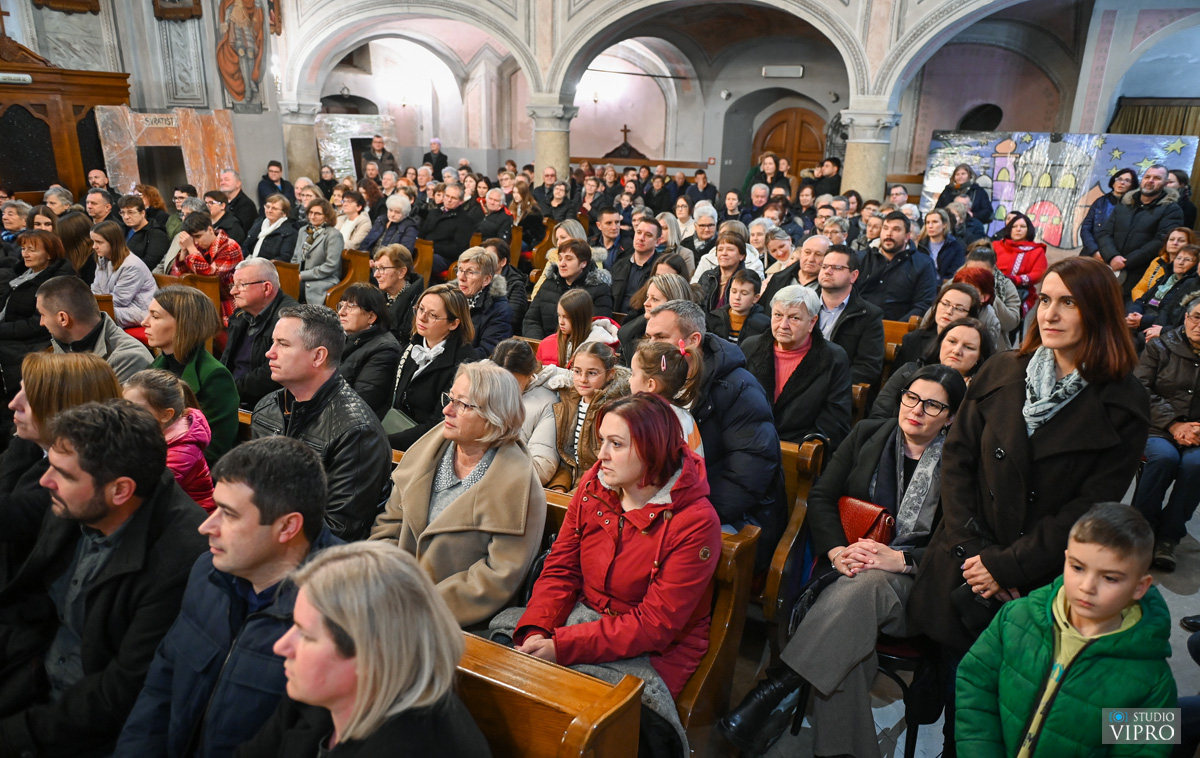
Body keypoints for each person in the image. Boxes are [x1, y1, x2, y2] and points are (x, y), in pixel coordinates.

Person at [906, 257, 1150, 752]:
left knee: (1017, 716)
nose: (1049, 314)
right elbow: (956, 464)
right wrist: (976, 556)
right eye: (1045, 300)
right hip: (964, 564)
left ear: (1100, 312)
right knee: (965, 713)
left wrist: (1007, 566)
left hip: (1039, 577)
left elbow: (1089, 508)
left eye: (1068, 303)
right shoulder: (1003, 370)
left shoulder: (1123, 403)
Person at [721, 365, 967, 757]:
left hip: (916, 583)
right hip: (846, 567)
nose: (917, 410)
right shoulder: (870, 433)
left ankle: (780, 684)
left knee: (867, 587)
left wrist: (901, 558)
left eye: (933, 405)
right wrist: (837, 551)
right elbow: (821, 497)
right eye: (911, 397)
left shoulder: (961, 463)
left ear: (952, 416)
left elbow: (959, 541)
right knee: (847, 656)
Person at [0, 400, 206, 756]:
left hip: (90, 730)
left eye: (63, 474)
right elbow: (30, 609)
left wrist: (14, 734)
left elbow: (120, 693)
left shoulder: (180, 560)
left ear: (120, 490)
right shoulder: (80, 498)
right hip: (32, 680)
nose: (46, 481)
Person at [117, 435, 339, 757]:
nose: (207, 526)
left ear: (287, 527)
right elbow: (161, 685)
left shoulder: (337, 613)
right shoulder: (208, 571)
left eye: (229, 514)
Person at [510, 393, 721, 706]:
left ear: (652, 449)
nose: (601, 455)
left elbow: (654, 626)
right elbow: (561, 568)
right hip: (582, 620)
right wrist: (538, 631)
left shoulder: (696, 523)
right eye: (601, 440)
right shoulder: (594, 485)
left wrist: (562, 646)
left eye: (616, 444)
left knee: (581, 715)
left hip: (655, 653)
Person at [956, 504, 1174, 757]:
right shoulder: (1015, 617)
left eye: (1110, 578)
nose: (1087, 587)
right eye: (1078, 567)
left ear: (1140, 587)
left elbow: (1145, 753)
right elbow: (974, 683)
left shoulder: (1154, 682)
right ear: (1066, 558)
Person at [235, 542, 491, 757]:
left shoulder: (416, 747)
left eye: (306, 636)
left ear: (372, 655)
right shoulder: (318, 691)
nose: (281, 647)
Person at [372, 360, 546, 628]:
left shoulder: (519, 485)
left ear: (494, 415)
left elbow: (496, 577)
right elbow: (390, 525)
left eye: (462, 404)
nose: (446, 410)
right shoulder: (428, 452)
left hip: (454, 622)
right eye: (450, 398)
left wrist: (418, 606)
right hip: (391, 595)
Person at [644, 299, 784, 570]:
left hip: (735, 514)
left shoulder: (739, 388)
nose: (651, 346)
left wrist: (688, 515)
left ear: (693, 340)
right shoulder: (658, 381)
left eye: (661, 337)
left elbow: (749, 473)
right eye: (648, 337)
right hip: (675, 503)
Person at [251, 305, 391, 540]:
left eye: (283, 344)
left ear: (318, 356)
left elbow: (339, 531)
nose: (270, 353)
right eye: (273, 342)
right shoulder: (267, 408)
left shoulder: (357, 432)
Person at [0, 352, 122, 582]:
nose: (14, 403)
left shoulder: (82, 477)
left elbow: (9, 515)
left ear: (64, 408)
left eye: (30, 397)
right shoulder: (29, 445)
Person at [1132, 293, 1200, 571]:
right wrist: (1174, 423)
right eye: (1197, 317)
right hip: (1157, 427)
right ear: (1186, 318)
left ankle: (1168, 538)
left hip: (1197, 434)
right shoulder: (1160, 346)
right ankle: (1139, 532)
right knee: (1164, 459)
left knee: (1196, 464)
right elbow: (1139, 389)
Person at [741, 284, 852, 449]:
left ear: (812, 322)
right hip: (748, 442)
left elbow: (835, 421)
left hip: (799, 450)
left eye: (794, 318)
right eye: (778, 315)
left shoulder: (833, 358)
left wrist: (807, 449)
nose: (783, 325)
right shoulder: (750, 347)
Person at [145, 286, 239, 462]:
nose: (144, 322)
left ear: (184, 324)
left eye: (155, 316)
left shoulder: (214, 376)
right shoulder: (156, 365)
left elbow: (212, 452)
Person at [387, 283, 479, 451]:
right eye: (420, 309)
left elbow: (439, 424)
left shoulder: (465, 363)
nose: (421, 318)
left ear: (453, 324)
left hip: (429, 447)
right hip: (394, 434)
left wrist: (385, 441)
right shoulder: (411, 347)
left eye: (433, 315)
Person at [123, 368, 214, 511]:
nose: (127, 415)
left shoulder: (183, 451)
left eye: (136, 409)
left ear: (166, 415)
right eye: (125, 406)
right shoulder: (148, 434)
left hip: (194, 525)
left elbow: (141, 494)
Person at [0, 230, 76, 399]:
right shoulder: (23, 274)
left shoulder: (57, 282)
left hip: (37, 338)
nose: (25, 254)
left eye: (32, 250)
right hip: (12, 332)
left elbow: (37, 324)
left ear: (49, 254)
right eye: (23, 248)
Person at [871, 317, 995, 420]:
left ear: (980, 356)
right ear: (941, 342)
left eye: (968, 347)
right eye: (952, 341)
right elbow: (879, 416)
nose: (957, 351)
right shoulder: (909, 372)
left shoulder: (983, 393)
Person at [547, 341, 631, 491]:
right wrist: (559, 486)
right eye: (577, 371)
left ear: (609, 374)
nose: (583, 379)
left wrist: (578, 492)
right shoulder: (569, 400)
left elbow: (609, 466)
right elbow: (567, 457)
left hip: (600, 487)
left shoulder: (616, 410)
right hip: (572, 483)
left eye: (592, 373)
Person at [1097, 164, 1186, 300]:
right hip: (1110, 270)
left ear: (1165, 183)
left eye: (1156, 178)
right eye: (1147, 177)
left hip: (1141, 275)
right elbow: (1104, 233)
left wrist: (1126, 262)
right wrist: (1112, 256)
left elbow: (1161, 240)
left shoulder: (1172, 209)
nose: (1150, 181)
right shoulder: (1124, 204)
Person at [39, 275, 152, 381]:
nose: (41, 323)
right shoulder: (64, 344)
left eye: (43, 314)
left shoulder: (128, 359)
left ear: (63, 318)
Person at [814, 245, 886, 386]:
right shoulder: (803, 305)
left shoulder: (869, 315)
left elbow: (868, 368)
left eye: (837, 268)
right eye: (824, 266)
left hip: (836, 389)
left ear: (853, 276)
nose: (828, 272)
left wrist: (828, 384)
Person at [491, 338, 559, 485]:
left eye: (513, 382)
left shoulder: (547, 402)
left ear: (530, 373)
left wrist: (491, 465)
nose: (505, 388)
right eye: (500, 380)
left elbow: (543, 468)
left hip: (511, 483)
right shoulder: (481, 389)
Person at [857, 211, 940, 321]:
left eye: (896, 229)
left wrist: (896, 328)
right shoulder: (861, 258)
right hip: (858, 323)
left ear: (907, 236)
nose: (889, 234)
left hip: (897, 328)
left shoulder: (923, 263)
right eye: (885, 228)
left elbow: (924, 304)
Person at [523, 239, 614, 339]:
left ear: (583, 263)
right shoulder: (549, 282)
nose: (562, 264)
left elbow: (598, 328)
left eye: (569, 259)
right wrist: (541, 345)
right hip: (544, 345)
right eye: (560, 258)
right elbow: (531, 320)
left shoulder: (599, 289)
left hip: (579, 349)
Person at [337, 283, 402, 419]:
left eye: (350, 307)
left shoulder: (385, 350)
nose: (341, 312)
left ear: (371, 317)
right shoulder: (342, 337)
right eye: (341, 305)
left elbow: (361, 402)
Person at [629, 340, 705, 453]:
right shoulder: (685, 417)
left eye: (633, 373)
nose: (629, 379)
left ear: (650, 384)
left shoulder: (651, 421)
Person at [172, 211, 244, 326]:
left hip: (229, 303)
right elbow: (183, 276)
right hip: (206, 300)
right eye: (192, 239)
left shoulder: (230, 246)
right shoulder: (197, 248)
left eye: (198, 236)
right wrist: (184, 251)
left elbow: (210, 277)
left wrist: (190, 247)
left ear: (210, 230)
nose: (196, 242)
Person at [894, 281, 982, 367]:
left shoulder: (973, 348)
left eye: (959, 309)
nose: (948, 312)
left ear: (970, 316)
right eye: (945, 304)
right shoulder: (912, 339)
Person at [1128, 243, 1200, 346]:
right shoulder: (1167, 277)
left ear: (1195, 265)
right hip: (1153, 324)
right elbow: (1144, 300)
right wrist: (1133, 313)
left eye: (1187, 260)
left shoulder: (1188, 282)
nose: (1180, 262)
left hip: (1173, 335)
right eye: (1178, 258)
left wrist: (1155, 328)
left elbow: (1178, 320)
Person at [89, 219, 156, 327]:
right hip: (116, 307)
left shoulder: (131, 265)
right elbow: (96, 288)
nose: (94, 246)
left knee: (93, 315)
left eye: (99, 242)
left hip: (139, 311)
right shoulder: (103, 259)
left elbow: (120, 300)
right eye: (93, 241)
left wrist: (91, 306)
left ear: (113, 242)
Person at [536, 288, 618, 367]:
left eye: (566, 317)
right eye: (559, 316)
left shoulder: (601, 347)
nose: (561, 322)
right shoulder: (546, 344)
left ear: (581, 318)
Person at [456, 246, 513, 356]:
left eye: (470, 272)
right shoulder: (448, 298)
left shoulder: (499, 310)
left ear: (486, 279)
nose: (461, 277)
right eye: (460, 270)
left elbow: (486, 353)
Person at [991, 212, 1047, 316]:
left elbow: (1039, 273)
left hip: (1020, 292)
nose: (1018, 229)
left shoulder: (1037, 250)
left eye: (1022, 226)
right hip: (992, 287)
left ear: (1028, 230)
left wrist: (1016, 280)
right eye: (1014, 226)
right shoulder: (996, 245)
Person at [293, 198, 344, 305]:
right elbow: (295, 257)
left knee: (289, 294)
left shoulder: (333, 235)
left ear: (326, 216)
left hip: (322, 281)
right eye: (310, 212)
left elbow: (330, 266)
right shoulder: (303, 231)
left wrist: (302, 275)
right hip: (299, 278)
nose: (312, 216)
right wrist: (290, 274)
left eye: (317, 214)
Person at [420, 183, 475, 281]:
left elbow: (458, 249)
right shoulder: (434, 212)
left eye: (453, 198)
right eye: (447, 196)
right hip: (426, 250)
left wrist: (432, 248)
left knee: (425, 260)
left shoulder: (464, 220)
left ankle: (422, 290)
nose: (449, 200)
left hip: (445, 258)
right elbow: (422, 234)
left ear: (461, 201)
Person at [1080, 167, 1137, 258]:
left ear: (1132, 186)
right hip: (1092, 253)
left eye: (1127, 180)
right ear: (1113, 182)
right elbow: (1086, 228)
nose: (1122, 183)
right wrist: (1094, 251)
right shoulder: (1100, 202)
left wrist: (1111, 255)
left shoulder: (1134, 206)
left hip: (1117, 257)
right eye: (1119, 179)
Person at [372, 243, 424, 341]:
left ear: (401, 272)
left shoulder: (419, 303)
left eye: (382, 268)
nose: (376, 275)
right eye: (376, 268)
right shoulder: (377, 298)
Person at [1129, 226, 1196, 302]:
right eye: (1171, 239)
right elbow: (1139, 288)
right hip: (1144, 304)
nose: (1175, 243)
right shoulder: (1158, 261)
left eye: (1181, 241)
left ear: (1190, 245)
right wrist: (1139, 306)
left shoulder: (1190, 266)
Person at [707, 268, 769, 345]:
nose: (737, 297)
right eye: (734, 291)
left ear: (756, 298)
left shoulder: (763, 324)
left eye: (744, 293)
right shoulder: (714, 318)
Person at [761, 234, 830, 302]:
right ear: (801, 253)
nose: (810, 259)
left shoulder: (832, 286)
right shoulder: (778, 278)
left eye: (818, 254)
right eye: (807, 252)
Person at [481, 236, 527, 330]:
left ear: (503, 262)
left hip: (501, 332)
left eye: (491, 257)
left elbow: (512, 318)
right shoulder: (479, 278)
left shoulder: (516, 284)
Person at [118, 194, 170, 270]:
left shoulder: (157, 234)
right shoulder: (123, 230)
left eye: (131, 212)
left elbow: (150, 262)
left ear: (143, 213)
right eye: (123, 213)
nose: (126, 217)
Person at [243, 193, 299, 261]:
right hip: (250, 262)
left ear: (284, 213)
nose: (269, 211)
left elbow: (285, 258)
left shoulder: (290, 232)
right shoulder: (259, 223)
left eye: (274, 208)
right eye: (267, 207)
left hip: (270, 268)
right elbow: (246, 245)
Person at [918, 207, 966, 281]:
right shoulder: (919, 245)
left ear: (944, 225)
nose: (930, 226)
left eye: (935, 222)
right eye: (927, 222)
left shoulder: (955, 247)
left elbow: (953, 274)